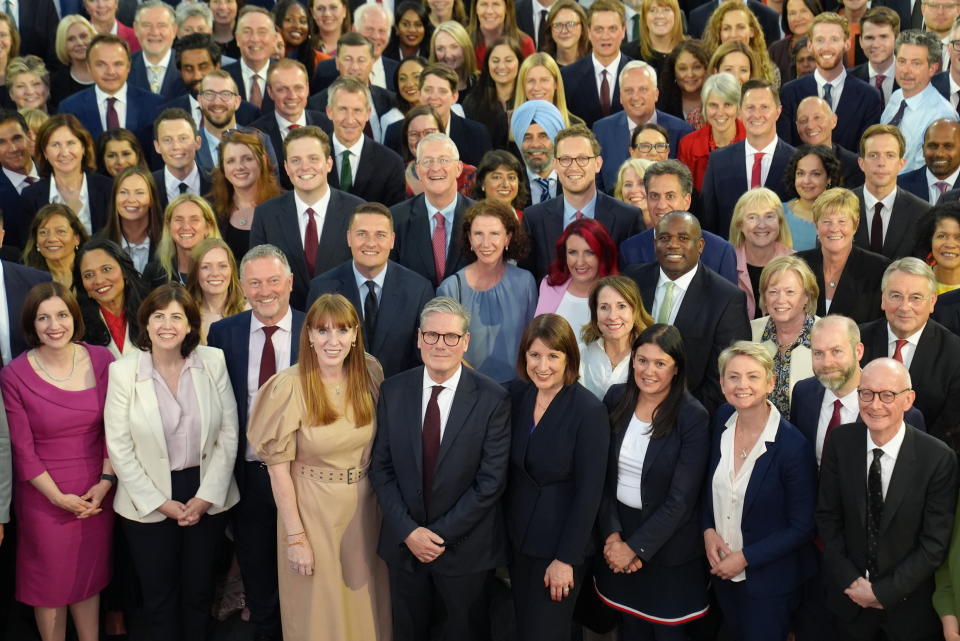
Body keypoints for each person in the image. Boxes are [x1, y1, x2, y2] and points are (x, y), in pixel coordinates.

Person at [246, 292, 391, 640]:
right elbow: (278, 470)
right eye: (323, 331)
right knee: (319, 613)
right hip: (311, 513)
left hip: (365, 511)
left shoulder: (370, 373)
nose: (333, 341)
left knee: (365, 608)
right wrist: (296, 537)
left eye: (342, 331)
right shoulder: (288, 386)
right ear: (308, 334)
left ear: (355, 334)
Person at [370, 296, 511, 641]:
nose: (440, 344)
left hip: (465, 552)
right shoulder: (394, 390)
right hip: (405, 548)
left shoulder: (493, 398)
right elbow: (381, 469)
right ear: (418, 338)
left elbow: (490, 483)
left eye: (450, 337)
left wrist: (439, 536)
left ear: (465, 342)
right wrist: (409, 532)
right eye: (431, 335)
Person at [104, 283, 240, 641]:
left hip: (205, 492)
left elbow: (229, 432)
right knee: (158, 598)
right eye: (158, 316)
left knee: (198, 593)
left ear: (191, 325)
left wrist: (207, 496)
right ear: (145, 324)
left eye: (177, 316)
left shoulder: (213, 362)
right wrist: (159, 503)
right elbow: (119, 446)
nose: (167, 324)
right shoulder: (123, 371)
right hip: (146, 499)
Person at [0, 281, 115, 641]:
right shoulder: (14, 374)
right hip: (44, 498)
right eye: (43, 318)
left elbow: (117, 429)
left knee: (89, 578)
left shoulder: (101, 359)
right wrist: (58, 498)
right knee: (49, 585)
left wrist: (105, 482)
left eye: (62, 315)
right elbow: (22, 448)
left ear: (75, 317)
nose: (54, 325)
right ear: (31, 325)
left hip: (97, 492)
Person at [816, 357, 958, 641]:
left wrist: (884, 592)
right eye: (866, 393)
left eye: (887, 395)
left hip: (908, 613)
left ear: (909, 400)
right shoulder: (840, 442)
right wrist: (852, 582)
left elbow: (934, 543)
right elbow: (826, 519)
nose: (874, 404)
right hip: (849, 604)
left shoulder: (938, 458)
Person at [206, 244, 305, 641]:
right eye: (255, 283)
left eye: (273, 281)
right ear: (242, 286)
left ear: (290, 283)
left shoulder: (314, 329)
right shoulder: (222, 332)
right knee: (258, 574)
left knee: (304, 569)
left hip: (302, 475)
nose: (265, 291)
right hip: (247, 475)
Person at [594, 324, 711, 639]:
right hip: (619, 539)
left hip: (667, 550)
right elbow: (601, 478)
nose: (649, 370)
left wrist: (635, 548)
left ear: (676, 368)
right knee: (630, 631)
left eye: (660, 363)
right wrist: (612, 537)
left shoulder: (693, 416)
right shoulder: (616, 399)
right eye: (642, 360)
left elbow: (681, 499)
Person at [501, 313, 608, 641]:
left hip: (560, 549)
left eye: (553, 356)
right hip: (520, 544)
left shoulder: (588, 411)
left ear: (569, 358)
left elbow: (589, 494)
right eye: (534, 355)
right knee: (524, 629)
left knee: (547, 633)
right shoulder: (518, 396)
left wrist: (565, 559)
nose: (542, 366)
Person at [704, 340, 817, 641]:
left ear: (771, 383)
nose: (742, 385)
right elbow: (708, 487)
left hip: (769, 584)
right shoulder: (720, 421)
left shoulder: (793, 447)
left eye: (753, 376)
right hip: (722, 574)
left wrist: (745, 558)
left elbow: (801, 526)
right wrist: (707, 530)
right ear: (722, 382)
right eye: (734, 376)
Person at [623, 211, 752, 411]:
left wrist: (677, 413)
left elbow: (727, 374)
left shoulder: (726, 299)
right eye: (664, 238)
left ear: (700, 246)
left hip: (687, 417)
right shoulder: (632, 281)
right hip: (630, 406)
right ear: (654, 243)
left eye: (683, 238)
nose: (673, 245)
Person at [307, 203, 434, 376]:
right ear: (349, 238)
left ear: (392, 240)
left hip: (398, 397)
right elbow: (311, 353)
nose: (371, 243)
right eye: (362, 234)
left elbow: (424, 358)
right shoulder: (322, 288)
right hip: (338, 396)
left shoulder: (419, 290)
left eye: (380, 235)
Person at [250, 126, 364, 311]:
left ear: (328, 163)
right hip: (288, 324)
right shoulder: (266, 215)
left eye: (313, 158)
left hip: (344, 322)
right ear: (286, 167)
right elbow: (257, 273)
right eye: (296, 160)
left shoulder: (357, 212)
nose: (304, 167)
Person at [859, 257, 960, 449]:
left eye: (916, 298)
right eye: (896, 296)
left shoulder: (954, 354)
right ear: (883, 299)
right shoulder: (857, 341)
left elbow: (952, 430)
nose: (905, 307)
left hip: (926, 463)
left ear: (932, 302)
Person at [522, 125, 642, 283]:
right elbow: (529, 280)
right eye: (565, 159)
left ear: (598, 164)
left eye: (582, 159)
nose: (573, 166)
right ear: (555, 164)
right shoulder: (533, 218)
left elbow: (635, 282)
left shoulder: (628, 218)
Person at [437, 199, 537, 382]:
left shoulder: (525, 282)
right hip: (469, 388)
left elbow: (533, 341)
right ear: (469, 239)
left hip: (520, 388)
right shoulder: (450, 288)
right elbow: (446, 348)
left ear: (507, 238)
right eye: (478, 234)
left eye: (494, 234)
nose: (486, 243)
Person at [700, 79, 797, 236]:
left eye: (764, 107)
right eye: (750, 107)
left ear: (778, 112)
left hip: (781, 258)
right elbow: (708, 222)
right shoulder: (718, 162)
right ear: (739, 112)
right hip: (731, 257)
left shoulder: (797, 161)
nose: (757, 114)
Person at [618, 159, 738, 283]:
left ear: (687, 201)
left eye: (670, 196)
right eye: (654, 196)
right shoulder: (630, 250)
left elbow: (730, 301)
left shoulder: (720, 252)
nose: (661, 205)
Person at [778, 13, 884, 152]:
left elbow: (866, 154)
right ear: (810, 45)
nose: (826, 47)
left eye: (834, 39)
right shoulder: (789, 92)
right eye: (820, 40)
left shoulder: (869, 96)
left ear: (847, 43)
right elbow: (786, 150)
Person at [592, 61, 694, 192]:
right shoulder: (602, 130)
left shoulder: (682, 131)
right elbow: (597, 185)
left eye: (643, 89)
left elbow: (686, 186)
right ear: (620, 97)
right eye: (629, 90)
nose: (635, 97)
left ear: (656, 94)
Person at [390, 132, 475, 286]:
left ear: (458, 168)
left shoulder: (480, 217)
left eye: (444, 160)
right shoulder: (396, 219)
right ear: (417, 171)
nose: (435, 168)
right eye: (427, 161)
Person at [795, 187, 889, 324]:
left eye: (842, 221)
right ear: (816, 225)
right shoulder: (798, 265)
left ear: (855, 225)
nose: (834, 229)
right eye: (826, 221)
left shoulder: (879, 269)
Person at [58, 34, 165, 152]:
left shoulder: (155, 105)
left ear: (128, 66)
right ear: (89, 67)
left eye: (118, 64)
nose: (110, 72)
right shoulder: (70, 109)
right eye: (101, 65)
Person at [21, 114, 113, 238]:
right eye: (55, 145)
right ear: (45, 152)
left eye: (71, 143)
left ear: (84, 147)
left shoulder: (109, 188)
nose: (64, 152)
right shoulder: (30, 196)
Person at [384, 64, 492, 167]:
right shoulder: (395, 132)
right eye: (428, 90)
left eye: (442, 91)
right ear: (420, 94)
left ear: (454, 97)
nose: (434, 97)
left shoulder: (477, 134)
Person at [851, 124, 931, 261]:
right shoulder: (840, 206)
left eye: (890, 155)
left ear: (901, 164)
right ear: (861, 163)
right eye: (873, 155)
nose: (881, 163)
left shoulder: (923, 213)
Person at [751, 255, 819, 414]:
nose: (781, 300)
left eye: (790, 292)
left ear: (807, 297)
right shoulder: (750, 332)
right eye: (773, 292)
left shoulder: (826, 335)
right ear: (764, 296)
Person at [881, 30, 957, 172]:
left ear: (932, 69)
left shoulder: (941, 117)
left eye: (916, 63)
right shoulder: (896, 97)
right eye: (902, 61)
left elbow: (927, 175)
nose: (906, 70)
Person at [323, 77, 407, 205]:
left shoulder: (391, 163)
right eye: (342, 109)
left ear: (368, 113)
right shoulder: (312, 156)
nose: (350, 120)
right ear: (329, 112)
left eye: (357, 110)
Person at [208, 129, 284, 262]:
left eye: (247, 159)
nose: (239, 167)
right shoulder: (210, 208)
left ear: (263, 160)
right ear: (223, 168)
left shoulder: (286, 205)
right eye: (231, 161)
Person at [534, 218, 618, 336]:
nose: (580, 262)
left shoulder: (618, 292)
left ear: (603, 254)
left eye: (589, 252)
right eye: (572, 252)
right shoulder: (550, 284)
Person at [578, 275, 654, 399]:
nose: (612, 316)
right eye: (604, 307)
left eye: (621, 306)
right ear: (595, 313)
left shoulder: (651, 356)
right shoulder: (581, 353)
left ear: (635, 312)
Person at [560, 0, 631, 128]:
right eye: (599, 29)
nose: (605, 36)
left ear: (623, 31)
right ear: (589, 32)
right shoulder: (567, 77)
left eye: (612, 29)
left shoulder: (639, 73)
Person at [729, 188, 796, 319]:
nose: (761, 225)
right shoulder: (726, 261)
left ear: (780, 222)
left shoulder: (796, 262)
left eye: (769, 216)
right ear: (740, 224)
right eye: (752, 217)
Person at [75, 239, 148, 359]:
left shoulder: (152, 310)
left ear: (124, 271)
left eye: (106, 269)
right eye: (89, 275)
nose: (99, 280)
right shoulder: (76, 324)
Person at [678, 73, 747, 192]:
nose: (720, 113)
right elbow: (684, 193)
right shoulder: (688, 145)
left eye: (727, 105)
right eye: (713, 105)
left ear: (738, 107)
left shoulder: (754, 141)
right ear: (704, 107)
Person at [699, 0, 780, 86]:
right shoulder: (704, 69)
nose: (733, 35)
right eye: (727, 28)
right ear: (719, 33)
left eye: (740, 27)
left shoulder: (772, 71)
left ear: (752, 31)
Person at [100, 166, 163, 276]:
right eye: (123, 192)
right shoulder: (99, 243)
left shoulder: (169, 241)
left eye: (139, 193)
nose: (131, 199)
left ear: (152, 199)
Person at [781, 144, 846, 251]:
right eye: (800, 173)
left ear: (829, 178)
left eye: (815, 174)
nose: (806, 181)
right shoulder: (779, 213)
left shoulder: (844, 214)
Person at [462, 37, 521, 151]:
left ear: (519, 62)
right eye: (495, 61)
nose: (501, 66)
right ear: (487, 64)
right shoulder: (473, 102)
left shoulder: (529, 100)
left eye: (508, 60)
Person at [794, 96, 866, 188]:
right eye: (803, 120)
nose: (810, 126)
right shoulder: (787, 160)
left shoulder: (854, 166)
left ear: (833, 120)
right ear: (797, 126)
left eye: (817, 118)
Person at [185, 238, 248, 343]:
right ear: (195, 273)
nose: (215, 273)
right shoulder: (184, 315)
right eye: (205, 267)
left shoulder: (251, 312)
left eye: (222, 266)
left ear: (232, 270)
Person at [152, 108, 211, 211]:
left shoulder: (217, 183)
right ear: (157, 146)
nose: (176, 146)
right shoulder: (148, 186)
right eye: (167, 140)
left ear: (197, 142)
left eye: (183, 138)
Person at [0, 110, 42, 251]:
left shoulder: (55, 175)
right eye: (2, 143)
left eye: (17, 138)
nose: (12, 149)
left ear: (29, 136)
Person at [510, 99, 565, 207]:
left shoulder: (574, 180)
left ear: (557, 139)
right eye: (527, 137)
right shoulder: (510, 186)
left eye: (543, 136)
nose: (535, 144)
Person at [222, 7, 278, 111]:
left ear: (274, 39)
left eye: (262, 32)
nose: (255, 39)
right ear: (237, 38)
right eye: (247, 31)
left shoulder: (286, 75)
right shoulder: (223, 78)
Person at [22, 205, 90, 289]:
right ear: (36, 241)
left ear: (76, 239)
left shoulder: (91, 272)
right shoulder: (25, 279)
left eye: (61, 231)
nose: (51, 239)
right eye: (43, 232)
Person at [130, 2, 186, 99]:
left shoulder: (188, 67)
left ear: (174, 31)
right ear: (135, 29)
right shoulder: (124, 66)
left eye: (162, 25)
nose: (154, 32)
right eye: (146, 25)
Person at [896, 119, 960, 203]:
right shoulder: (898, 186)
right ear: (923, 149)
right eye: (932, 146)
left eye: (948, 146)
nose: (939, 154)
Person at [513, 53, 582, 127]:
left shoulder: (576, 127)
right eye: (530, 81)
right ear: (523, 85)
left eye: (544, 80)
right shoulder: (510, 124)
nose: (537, 87)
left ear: (556, 83)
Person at [849, 7, 900, 105]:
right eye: (869, 38)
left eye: (883, 37)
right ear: (860, 41)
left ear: (897, 39)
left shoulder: (912, 77)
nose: (876, 44)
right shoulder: (847, 80)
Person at [623, 0, 685, 74]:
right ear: (644, 17)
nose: (660, 16)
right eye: (652, 10)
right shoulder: (627, 54)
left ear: (676, 14)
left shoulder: (691, 51)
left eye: (666, 10)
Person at [657, 40, 709, 129]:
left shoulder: (718, 97)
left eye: (697, 67)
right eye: (682, 69)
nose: (690, 74)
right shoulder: (662, 101)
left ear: (707, 68)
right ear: (673, 71)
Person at [768, 0, 821, 82]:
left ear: (815, 13)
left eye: (803, 11)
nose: (798, 18)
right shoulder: (776, 50)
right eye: (792, 13)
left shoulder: (829, 46)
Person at [467, 0, 535, 63]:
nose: (489, 11)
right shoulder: (462, 41)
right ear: (475, 8)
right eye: (484, 4)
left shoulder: (525, 43)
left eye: (496, 4)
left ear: (507, 9)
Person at [470, 150, 529, 216]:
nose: (505, 184)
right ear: (482, 183)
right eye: (497, 177)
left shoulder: (527, 220)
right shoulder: (471, 219)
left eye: (511, 177)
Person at [919, 202, 960, 293]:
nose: (950, 244)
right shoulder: (913, 281)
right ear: (929, 239)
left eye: (959, 238)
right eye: (941, 236)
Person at [428, 21, 479, 93]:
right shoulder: (427, 85)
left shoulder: (481, 83)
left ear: (466, 48)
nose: (448, 55)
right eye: (440, 49)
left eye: (454, 47)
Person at [541, 0, 590, 66]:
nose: (564, 30)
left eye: (571, 24)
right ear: (550, 29)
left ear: (582, 29)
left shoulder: (594, 64)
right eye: (558, 25)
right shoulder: (543, 66)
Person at [613, 158, 653, 224]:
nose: (634, 190)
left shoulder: (671, 225)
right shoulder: (611, 228)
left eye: (642, 183)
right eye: (628, 184)